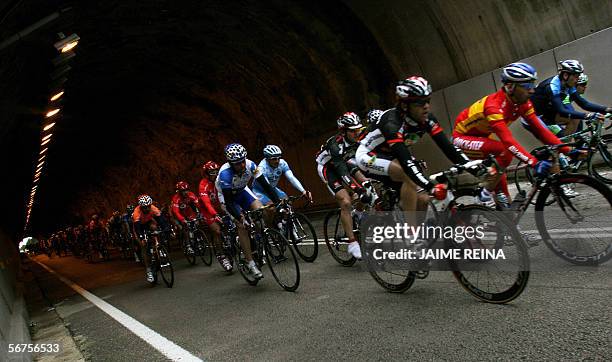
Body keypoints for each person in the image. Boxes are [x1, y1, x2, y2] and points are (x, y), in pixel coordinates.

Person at [453, 62, 574, 206]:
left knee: (504, 196)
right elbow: (508, 142)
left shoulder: (522, 103)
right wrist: (533, 163)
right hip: (462, 138)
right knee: (504, 152)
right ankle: (482, 196)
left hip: (483, 137)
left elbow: (541, 131)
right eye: (528, 86)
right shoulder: (494, 106)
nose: (532, 90)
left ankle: (502, 218)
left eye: (533, 85)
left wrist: (569, 151)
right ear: (510, 87)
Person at [356, 76, 481, 214]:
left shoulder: (427, 119)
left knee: (423, 199)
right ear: (405, 105)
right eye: (420, 103)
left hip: (392, 155)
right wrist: (430, 186)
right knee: (408, 175)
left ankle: (421, 233)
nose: (426, 106)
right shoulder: (392, 124)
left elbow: (448, 147)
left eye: (427, 101)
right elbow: (406, 163)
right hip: (368, 156)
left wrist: (474, 167)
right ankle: (411, 233)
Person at [316, 112, 376, 260]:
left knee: (367, 186)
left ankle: (359, 213)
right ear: (343, 131)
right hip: (329, 168)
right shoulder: (335, 145)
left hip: (347, 162)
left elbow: (371, 157)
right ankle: (352, 243)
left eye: (358, 129)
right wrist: (357, 189)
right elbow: (342, 172)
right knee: (346, 201)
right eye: (352, 130)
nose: (357, 133)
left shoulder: (361, 138)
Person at [216, 143, 281, 279]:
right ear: (231, 163)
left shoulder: (251, 165)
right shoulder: (225, 174)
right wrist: (239, 217)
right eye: (238, 163)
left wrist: (279, 202)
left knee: (262, 210)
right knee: (241, 225)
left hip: (242, 190)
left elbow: (266, 186)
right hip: (228, 197)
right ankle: (250, 263)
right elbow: (229, 202)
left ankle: (261, 237)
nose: (242, 166)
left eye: (243, 161)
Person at [531, 60, 611, 139]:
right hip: (534, 117)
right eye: (576, 77)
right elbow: (562, 110)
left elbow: (584, 104)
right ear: (566, 75)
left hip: (547, 113)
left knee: (576, 119)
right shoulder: (552, 87)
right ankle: (565, 148)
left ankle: (571, 147)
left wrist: (607, 109)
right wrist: (588, 115)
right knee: (574, 121)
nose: (577, 80)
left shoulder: (568, 85)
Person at [198, 161, 232, 271]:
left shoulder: (221, 180)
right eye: (212, 172)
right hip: (207, 210)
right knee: (217, 231)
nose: (215, 174)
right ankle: (222, 256)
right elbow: (207, 203)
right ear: (206, 174)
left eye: (216, 171)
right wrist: (215, 214)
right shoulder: (203, 185)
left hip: (220, 206)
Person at [132, 194, 169, 283]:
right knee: (144, 246)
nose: (147, 209)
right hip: (139, 226)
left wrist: (166, 229)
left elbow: (161, 220)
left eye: (148, 206)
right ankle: (148, 270)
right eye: (145, 207)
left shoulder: (153, 208)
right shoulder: (137, 212)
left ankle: (157, 246)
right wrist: (141, 238)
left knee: (154, 227)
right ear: (141, 207)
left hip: (148, 222)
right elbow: (137, 228)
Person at [171, 181, 206, 255]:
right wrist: (182, 220)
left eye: (187, 190)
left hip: (187, 211)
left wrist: (201, 213)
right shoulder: (176, 198)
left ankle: (197, 237)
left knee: (196, 222)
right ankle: (188, 245)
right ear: (179, 192)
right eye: (183, 191)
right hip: (178, 214)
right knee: (185, 227)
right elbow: (176, 212)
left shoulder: (191, 194)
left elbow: (198, 205)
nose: (186, 192)